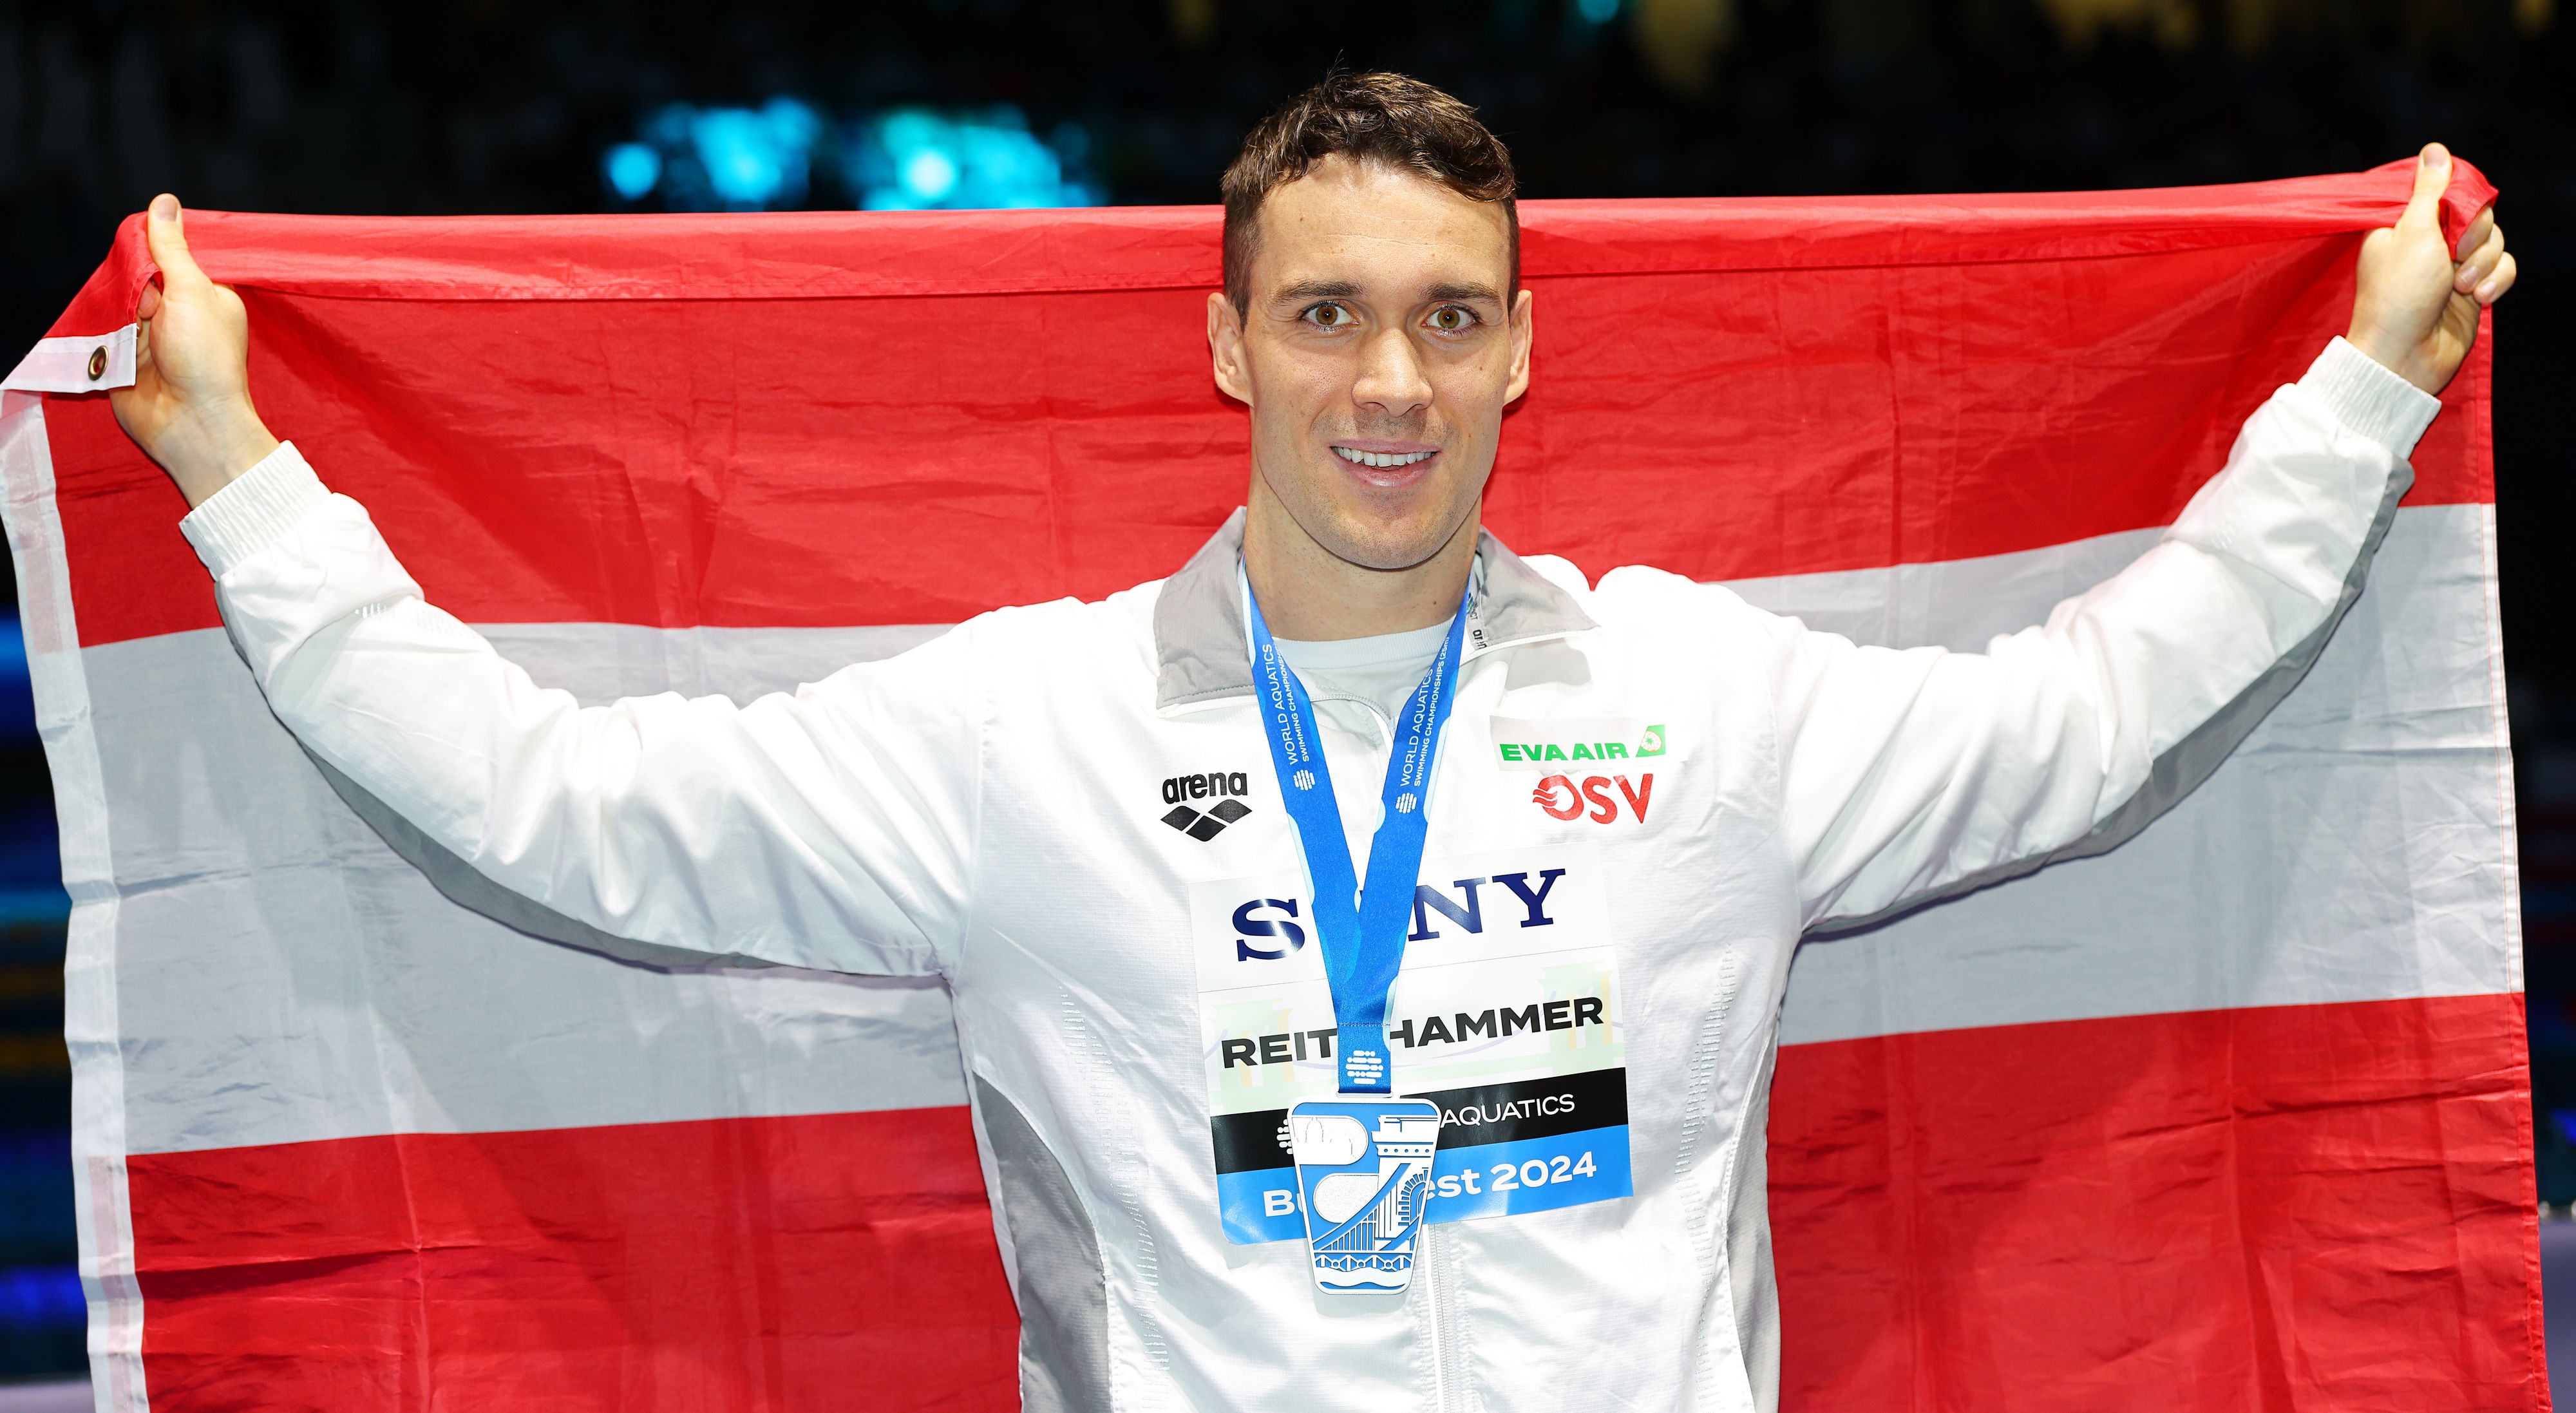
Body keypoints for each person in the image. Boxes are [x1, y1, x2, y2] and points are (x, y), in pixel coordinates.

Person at [108, 71, 2513, 1413]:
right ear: (1233, 346)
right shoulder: (1017, 731)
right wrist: (239, 470)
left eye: (1453, 318)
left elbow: (2095, 710)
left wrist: (2361, 391)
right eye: (1333, 315)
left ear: (1524, 355)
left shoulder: (1704, 701)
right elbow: (559, 807)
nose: (1393, 384)